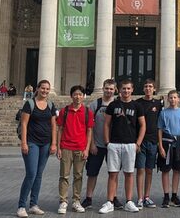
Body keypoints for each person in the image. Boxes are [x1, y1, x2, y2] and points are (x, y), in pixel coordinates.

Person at [98, 79, 146, 214]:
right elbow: (106, 124)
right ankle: (110, 202)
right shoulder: (113, 105)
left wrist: (138, 143)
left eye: (128, 88)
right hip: (114, 143)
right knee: (112, 174)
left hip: (130, 144)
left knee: (129, 174)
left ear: (132, 90)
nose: (126, 91)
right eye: (124, 88)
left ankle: (129, 201)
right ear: (119, 90)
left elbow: (143, 125)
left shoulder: (137, 106)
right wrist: (107, 142)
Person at [17, 79, 58, 218]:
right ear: (37, 88)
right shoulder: (29, 104)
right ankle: (21, 206)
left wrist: (54, 143)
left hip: (46, 143)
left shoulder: (51, 105)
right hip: (32, 142)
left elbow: (54, 126)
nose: (45, 91)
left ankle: (34, 204)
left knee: (39, 175)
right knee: (31, 174)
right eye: (43, 88)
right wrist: (24, 143)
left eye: (47, 89)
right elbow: (23, 124)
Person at [56, 85, 94, 214]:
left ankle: (76, 201)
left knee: (78, 176)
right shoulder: (64, 111)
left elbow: (89, 132)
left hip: (80, 148)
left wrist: (87, 149)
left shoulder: (88, 112)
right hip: (66, 147)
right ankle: (63, 201)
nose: (78, 97)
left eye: (80, 94)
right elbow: (60, 129)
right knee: (64, 176)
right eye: (75, 94)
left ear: (83, 96)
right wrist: (58, 147)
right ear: (71, 96)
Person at [82, 79, 117, 209]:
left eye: (111, 89)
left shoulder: (118, 104)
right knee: (92, 173)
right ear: (102, 88)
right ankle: (88, 198)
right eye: (107, 88)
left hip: (112, 145)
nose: (109, 91)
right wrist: (91, 144)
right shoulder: (94, 105)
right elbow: (89, 127)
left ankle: (113, 198)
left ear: (115, 90)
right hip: (96, 145)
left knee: (113, 173)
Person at [157, 90, 180, 208]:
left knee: (177, 170)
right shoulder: (163, 113)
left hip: (179, 143)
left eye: (175, 97)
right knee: (165, 170)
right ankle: (166, 195)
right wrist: (160, 146)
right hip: (167, 143)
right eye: (171, 98)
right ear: (167, 99)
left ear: (178, 99)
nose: (173, 100)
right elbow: (160, 130)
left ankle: (174, 195)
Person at [135, 79, 162, 209]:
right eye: (146, 86)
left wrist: (159, 143)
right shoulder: (137, 103)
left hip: (153, 141)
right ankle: (140, 198)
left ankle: (147, 196)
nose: (148, 88)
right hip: (141, 141)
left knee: (149, 170)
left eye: (150, 86)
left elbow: (160, 124)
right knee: (140, 169)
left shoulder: (158, 104)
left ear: (154, 89)